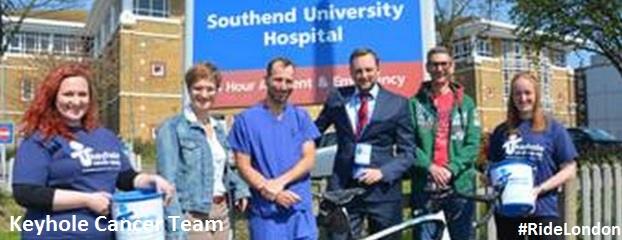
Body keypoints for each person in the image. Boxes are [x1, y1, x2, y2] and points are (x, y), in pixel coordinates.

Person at [12, 63, 175, 240]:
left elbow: (124, 176)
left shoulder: (104, 136)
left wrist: (149, 180)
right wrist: (87, 200)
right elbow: (26, 193)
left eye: (82, 94)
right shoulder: (40, 138)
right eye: (68, 94)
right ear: (53, 97)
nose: (76, 101)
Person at [315, 48, 416, 240]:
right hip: (343, 189)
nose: (364, 76)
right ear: (351, 72)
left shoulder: (398, 104)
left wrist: (383, 172)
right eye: (358, 71)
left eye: (369, 70)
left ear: (379, 69)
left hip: (382, 192)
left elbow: (408, 152)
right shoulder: (337, 98)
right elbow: (314, 132)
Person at [228, 57, 320, 240]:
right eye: (278, 80)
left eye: (288, 81)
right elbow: (243, 165)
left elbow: (308, 159)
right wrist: (270, 191)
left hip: (299, 211)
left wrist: (280, 183)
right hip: (267, 215)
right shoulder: (246, 120)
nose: (283, 86)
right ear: (266, 80)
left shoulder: (301, 117)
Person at [156, 62, 250, 240]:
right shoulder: (172, 128)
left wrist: (240, 188)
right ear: (189, 90)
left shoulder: (218, 129)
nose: (204, 95)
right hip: (192, 215)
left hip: (221, 212)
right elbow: (166, 185)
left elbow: (223, 171)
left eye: (210, 89)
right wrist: (175, 227)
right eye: (197, 88)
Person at [488, 72, 577, 240]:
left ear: (536, 95)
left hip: (543, 211)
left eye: (527, 93)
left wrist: (539, 189)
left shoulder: (553, 128)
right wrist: (490, 177)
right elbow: (492, 167)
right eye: (517, 93)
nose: (523, 98)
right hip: (509, 212)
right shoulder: (501, 132)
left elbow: (570, 169)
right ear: (512, 97)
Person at [410, 46, 481, 240]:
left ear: (452, 66)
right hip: (426, 187)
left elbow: (473, 144)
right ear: (427, 67)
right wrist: (430, 167)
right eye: (434, 64)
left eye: (444, 64)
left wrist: (451, 169)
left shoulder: (467, 104)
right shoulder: (414, 104)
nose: (439, 69)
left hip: (460, 186)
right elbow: (407, 144)